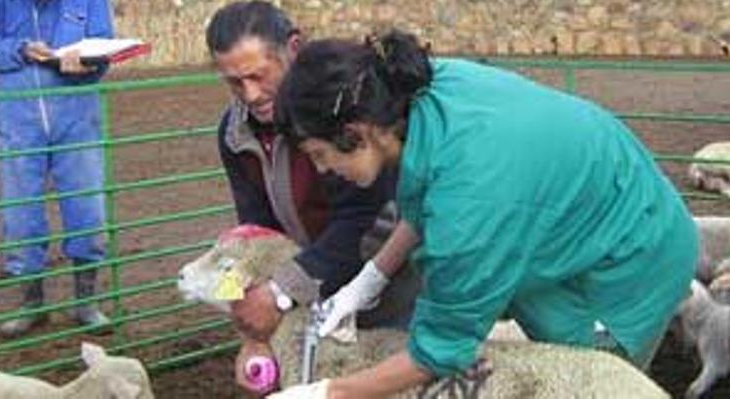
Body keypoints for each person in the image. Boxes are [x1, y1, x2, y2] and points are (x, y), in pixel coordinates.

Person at [271, 30, 698, 398]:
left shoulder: (470, 200)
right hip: (584, 212)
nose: (325, 170)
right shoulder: (417, 90)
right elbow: (426, 197)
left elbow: (440, 350)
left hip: (627, 265)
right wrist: (371, 277)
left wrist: (329, 391)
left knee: (583, 381)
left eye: (319, 155)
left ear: (355, 132)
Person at [205, 1, 418, 392]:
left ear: (294, 47)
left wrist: (283, 290)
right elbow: (257, 233)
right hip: (311, 282)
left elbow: (364, 219)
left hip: (386, 276)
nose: (249, 94)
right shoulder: (236, 135)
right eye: (234, 82)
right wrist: (253, 333)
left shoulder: (336, 109)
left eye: (257, 75)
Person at [0, 0, 113, 338]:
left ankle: (86, 303)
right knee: (21, 211)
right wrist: (18, 50)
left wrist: (89, 61)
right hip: (18, 117)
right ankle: (32, 304)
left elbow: (105, 44)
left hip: (77, 115)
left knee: (87, 208)